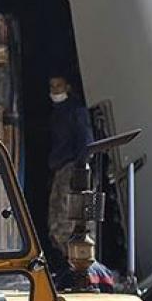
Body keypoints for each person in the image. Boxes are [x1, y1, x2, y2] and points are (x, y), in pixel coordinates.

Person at [47, 75, 95, 259]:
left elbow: (86, 142)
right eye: (52, 86)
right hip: (61, 170)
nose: (55, 90)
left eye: (59, 85)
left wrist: (81, 169)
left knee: (73, 223)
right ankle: (70, 261)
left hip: (73, 169)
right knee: (56, 224)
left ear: (67, 86)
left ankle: (81, 262)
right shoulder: (57, 113)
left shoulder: (76, 111)